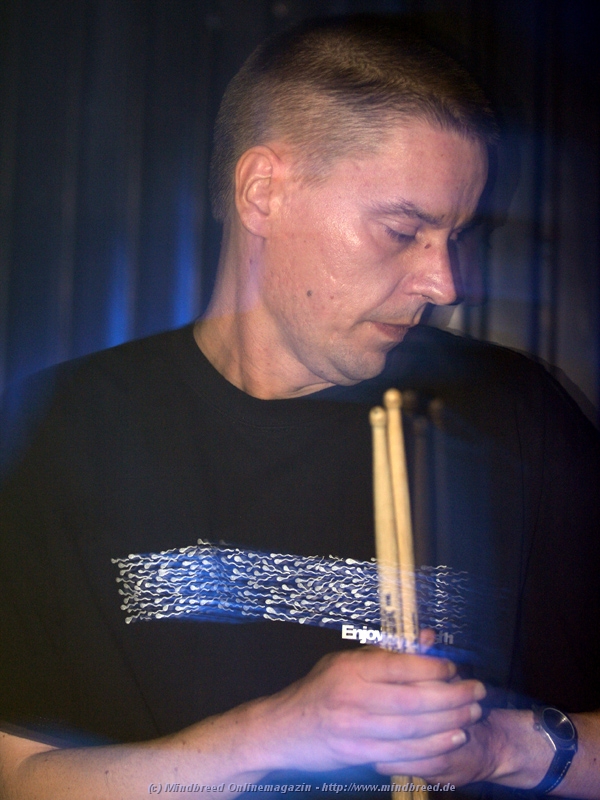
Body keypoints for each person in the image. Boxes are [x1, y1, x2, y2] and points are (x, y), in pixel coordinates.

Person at [1, 15, 599, 800]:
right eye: (403, 230)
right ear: (264, 192)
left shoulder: (516, 413)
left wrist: (501, 747)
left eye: (456, 235)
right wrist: (279, 735)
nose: (446, 284)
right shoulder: (61, 427)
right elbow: (21, 778)